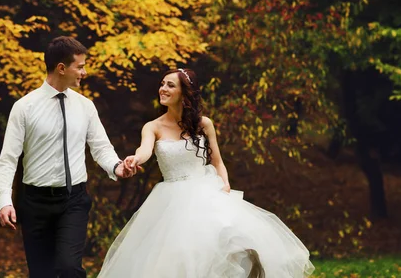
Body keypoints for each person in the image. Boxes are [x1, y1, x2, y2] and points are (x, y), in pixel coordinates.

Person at [98, 68, 315, 278]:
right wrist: (134, 159)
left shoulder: (204, 124)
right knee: (179, 255)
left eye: (170, 85)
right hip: (171, 200)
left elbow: (218, 162)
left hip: (206, 191)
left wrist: (225, 185)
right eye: (162, 84)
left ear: (184, 93)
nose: (162, 89)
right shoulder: (153, 126)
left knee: (229, 244)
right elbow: (144, 151)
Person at [0, 36, 136, 278]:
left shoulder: (85, 106)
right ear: (61, 68)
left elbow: (100, 146)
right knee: (41, 273)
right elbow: (8, 159)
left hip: (74, 201)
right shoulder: (24, 108)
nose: (84, 71)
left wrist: (116, 167)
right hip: (35, 203)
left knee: (70, 268)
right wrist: (4, 200)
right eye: (79, 66)